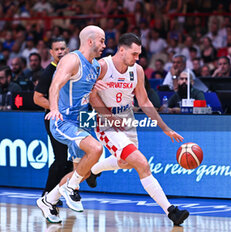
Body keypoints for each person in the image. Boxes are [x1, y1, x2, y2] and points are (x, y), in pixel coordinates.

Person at [87, 33, 189, 226]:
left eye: (139, 55)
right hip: (106, 121)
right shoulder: (102, 66)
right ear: (122, 50)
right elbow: (92, 97)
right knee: (142, 163)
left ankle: (93, 169)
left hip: (127, 118)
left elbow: (143, 101)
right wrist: (110, 118)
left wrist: (165, 128)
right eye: (134, 54)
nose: (137, 58)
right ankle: (171, 211)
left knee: (126, 163)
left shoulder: (138, 71)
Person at [36, 25, 106, 223]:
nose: (104, 45)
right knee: (96, 149)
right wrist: (54, 108)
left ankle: (48, 200)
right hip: (63, 120)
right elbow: (55, 84)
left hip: (82, 120)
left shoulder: (96, 66)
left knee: (80, 173)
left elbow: (90, 96)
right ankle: (69, 188)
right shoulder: (72, 59)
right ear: (90, 41)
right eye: (102, 40)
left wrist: (107, 115)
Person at [33, 37, 73, 202]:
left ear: (67, 50)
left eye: (62, 49)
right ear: (51, 53)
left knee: (73, 159)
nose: (60, 52)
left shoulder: (71, 68)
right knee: (61, 159)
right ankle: (47, 195)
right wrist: (56, 108)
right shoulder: (49, 72)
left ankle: (60, 192)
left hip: (72, 119)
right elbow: (37, 98)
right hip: (55, 119)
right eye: (56, 49)